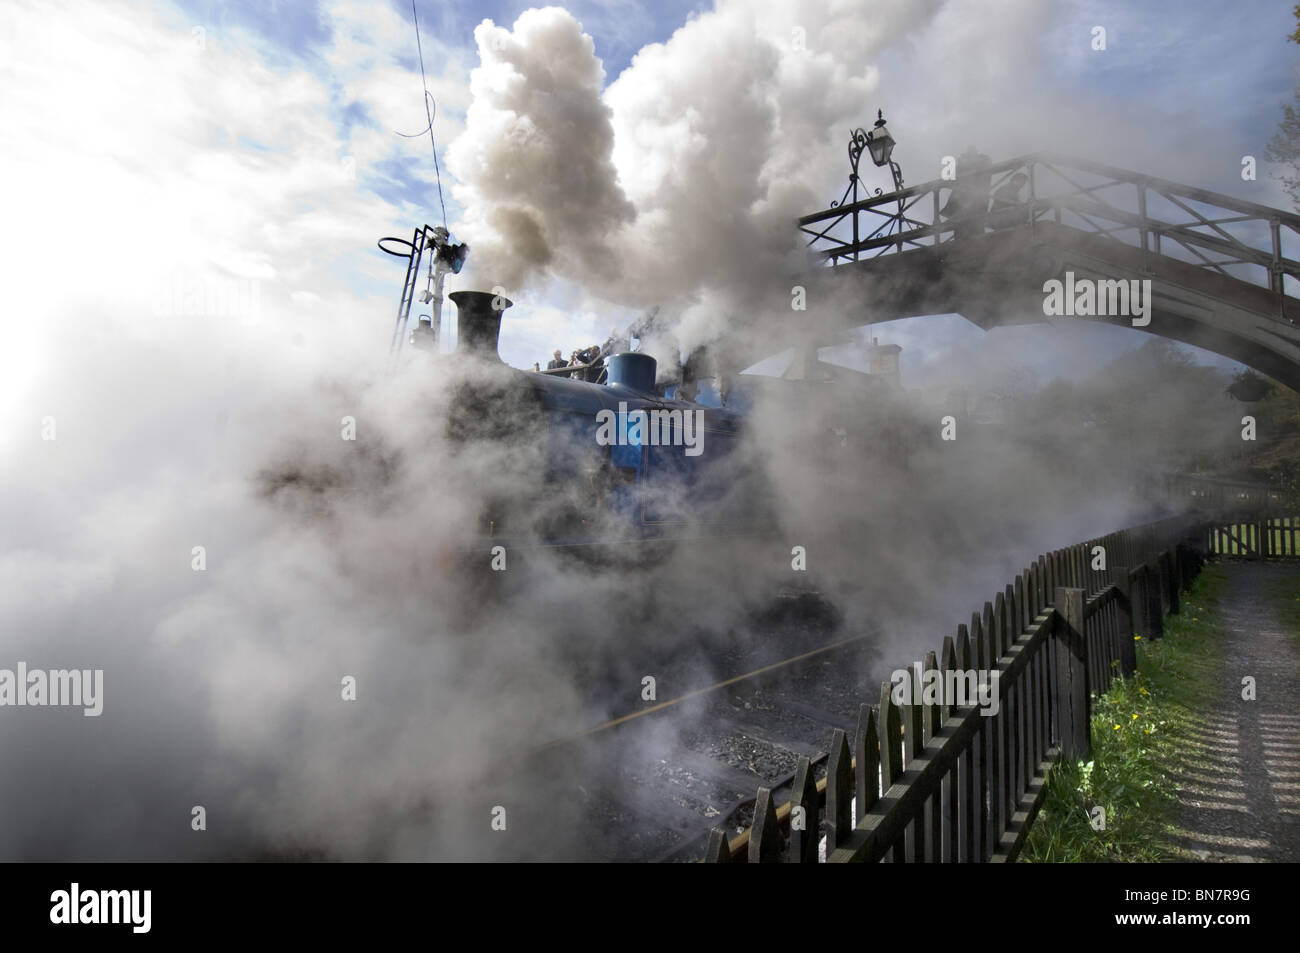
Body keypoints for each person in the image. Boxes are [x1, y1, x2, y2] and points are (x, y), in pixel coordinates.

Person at [939, 146, 991, 240]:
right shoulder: (962, 161)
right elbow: (955, 176)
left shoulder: (982, 160)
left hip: (972, 196)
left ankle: (975, 240)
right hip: (963, 196)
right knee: (963, 223)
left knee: (973, 221)